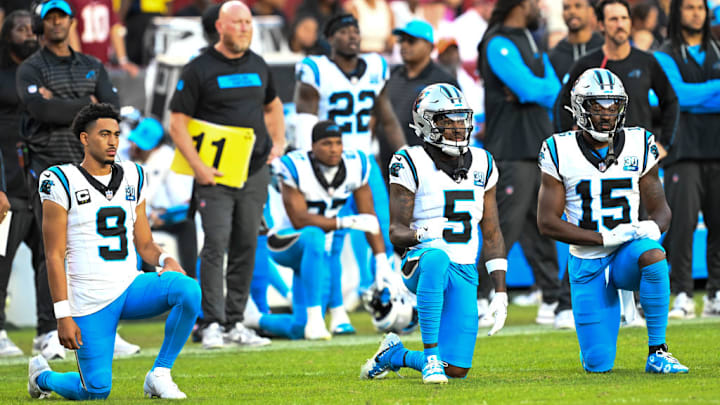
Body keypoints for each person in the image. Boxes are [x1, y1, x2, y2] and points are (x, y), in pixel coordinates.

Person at [27, 103, 202, 400]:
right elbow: (53, 255)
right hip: (90, 301)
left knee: (189, 290)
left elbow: (144, 243)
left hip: (130, 285)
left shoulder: (134, 175)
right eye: (104, 134)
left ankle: (159, 373)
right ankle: (42, 377)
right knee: (95, 391)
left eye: (117, 135)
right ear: (84, 138)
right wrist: (62, 315)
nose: (113, 142)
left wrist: (166, 259)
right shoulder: (60, 180)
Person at [537, 68, 688, 374]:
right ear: (579, 107)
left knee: (653, 254)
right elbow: (547, 222)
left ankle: (658, 351)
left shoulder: (640, 142)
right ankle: (595, 341)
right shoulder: (558, 149)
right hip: (588, 261)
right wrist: (603, 239)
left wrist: (651, 228)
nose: (606, 114)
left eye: (613, 105)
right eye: (597, 105)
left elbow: (661, 210)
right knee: (598, 362)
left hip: (626, 255)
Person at [360, 83, 508, 384]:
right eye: (446, 120)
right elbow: (396, 232)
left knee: (456, 369)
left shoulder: (484, 162)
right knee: (438, 256)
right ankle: (429, 357)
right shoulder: (410, 161)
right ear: (426, 123)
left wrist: (500, 290)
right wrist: (424, 233)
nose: (456, 128)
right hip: (421, 261)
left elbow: (491, 232)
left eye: (460, 119)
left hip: (464, 268)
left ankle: (394, 355)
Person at [169, 0, 285, 350]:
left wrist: (278, 142)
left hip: (253, 174)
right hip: (215, 176)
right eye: (238, 22)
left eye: (249, 22)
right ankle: (210, 322)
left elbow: (273, 105)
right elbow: (177, 123)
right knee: (215, 245)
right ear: (220, 26)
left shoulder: (258, 64)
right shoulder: (198, 69)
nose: (245, 28)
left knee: (247, 244)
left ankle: (235, 321)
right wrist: (199, 167)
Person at [293, 13, 404, 300]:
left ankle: (385, 293)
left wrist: (405, 154)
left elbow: (387, 118)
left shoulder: (377, 66)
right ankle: (337, 308)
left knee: (383, 228)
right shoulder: (315, 69)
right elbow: (305, 122)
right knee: (333, 239)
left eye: (355, 31)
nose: (352, 36)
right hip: (329, 164)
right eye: (343, 32)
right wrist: (311, 169)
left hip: (364, 161)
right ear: (329, 39)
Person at [253, 121, 390, 339]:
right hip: (285, 242)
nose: (334, 149)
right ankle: (317, 320)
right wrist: (344, 222)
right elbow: (299, 220)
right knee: (315, 235)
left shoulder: (357, 164)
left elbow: (368, 218)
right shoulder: (295, 165)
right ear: (313, 146)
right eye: (327, 143)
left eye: (338, 143)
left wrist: (381, 259)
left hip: (315, 249)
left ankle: (254, 319)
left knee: (298, 328)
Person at [477, 0, 564, 326]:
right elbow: (529, 89)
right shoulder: (496, 41)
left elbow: (554, 90)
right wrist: (531, 88)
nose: (538, 6)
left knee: (541, 227)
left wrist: (532, 88)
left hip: (537, 146)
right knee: (502, 227)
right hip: (510, 148)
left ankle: (553, 298)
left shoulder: (531, 38)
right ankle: (480, 296)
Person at [653, 0, 720, 318]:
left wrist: (696, 95)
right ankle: (681, 291)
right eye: (689, 7)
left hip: (717, 149)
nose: (696, 12)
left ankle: (716, 292)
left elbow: (689, 97)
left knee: (719, 223)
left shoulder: (717, 49)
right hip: (682, 152)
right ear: (677, 12)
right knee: (682, 224)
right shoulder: (663, 54)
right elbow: (677, 97)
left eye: (701, 7)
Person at [554, 0, 679, 150]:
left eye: (624, 18)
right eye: (613, 19)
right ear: (601, 25)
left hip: (637, 157)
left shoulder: (647, 61)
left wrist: (664, 144)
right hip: (598, 158)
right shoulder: (586, 64)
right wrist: (571, 142)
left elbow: (671, 101)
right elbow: (562, 104)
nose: (620, 25)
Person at [377, 19, 459, 181]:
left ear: (429, 46)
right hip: (389, 161)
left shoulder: (442, 80)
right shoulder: (390, 75)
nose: (404, 45)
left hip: (426, 166)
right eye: (401, 41)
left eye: (411, 41)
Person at [67, 0, 139, 77]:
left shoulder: (107, 1)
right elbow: (71, 30)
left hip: (103, 63)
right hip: (83, 62)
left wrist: (123, 60)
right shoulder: (73, 2)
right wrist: (78, 60)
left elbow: (115, 27)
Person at [550, 0, 604, 85]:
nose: (572, 11)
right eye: (566, 8)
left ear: (591, 11)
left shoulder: (604, 48)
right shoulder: (554, 55)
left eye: (578, 6)